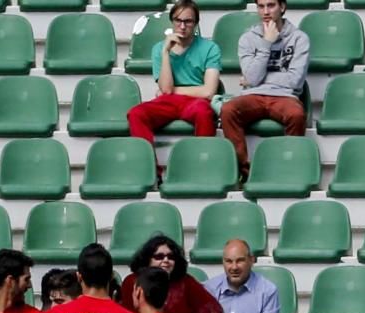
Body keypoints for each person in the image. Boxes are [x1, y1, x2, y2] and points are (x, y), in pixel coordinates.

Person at [127, 0, 222, 179]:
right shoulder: (159, 49)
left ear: (196, 23)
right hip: (169, 102)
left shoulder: (210, 48)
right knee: (136, 114)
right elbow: (165, 88)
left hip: (196, 102)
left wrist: (174, 91)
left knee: (204, 113)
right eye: (178, 20)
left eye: (188, 21)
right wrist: (165, 53)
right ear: (172, 22)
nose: (182, 26)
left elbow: (208, 91)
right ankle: (151, 172)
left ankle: (201, 168)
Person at [221, 0, 309, 182]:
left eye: (271, 5)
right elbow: (253, 78)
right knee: (228, 110)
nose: (266, 11)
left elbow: (295, 80)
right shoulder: (247, 39)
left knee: (296, 114)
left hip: (285, 96)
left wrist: (256, 79)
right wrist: (267, 43)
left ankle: (289, 172)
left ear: (282, 7)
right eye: (261, 6)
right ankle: (243, 172)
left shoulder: (299, 38)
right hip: (253, 96)